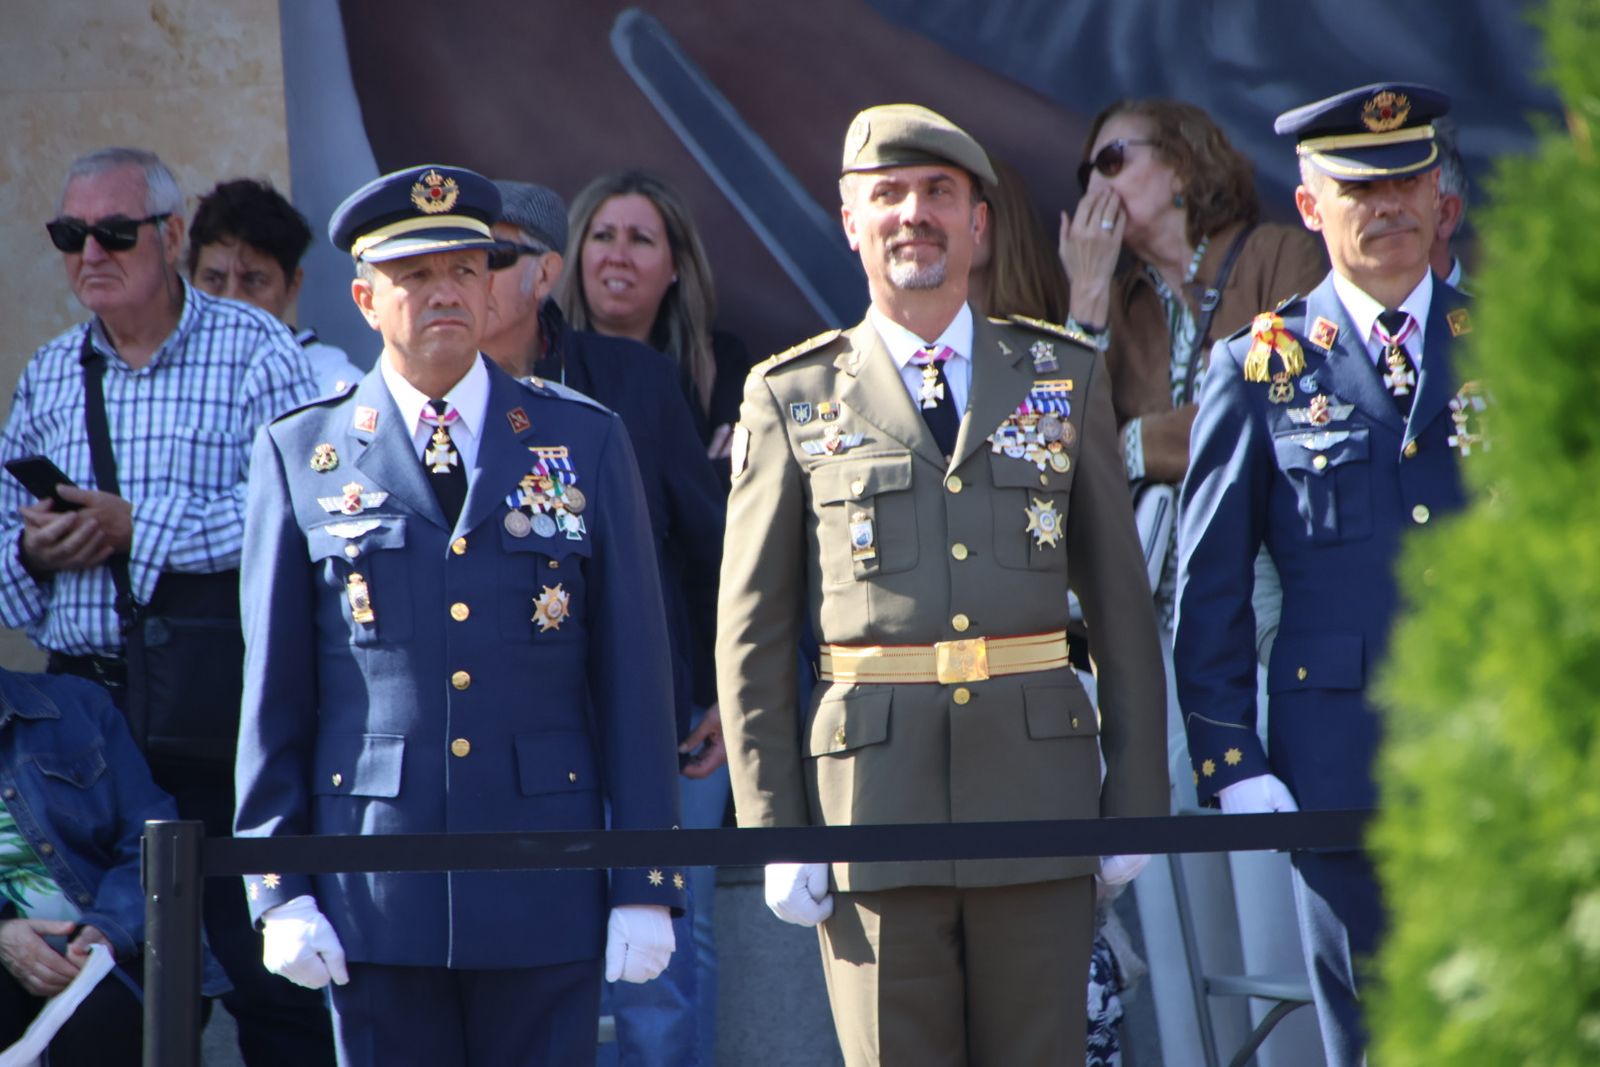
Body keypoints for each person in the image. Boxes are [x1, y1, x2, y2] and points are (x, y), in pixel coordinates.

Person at [716, 103, 1168, 1065]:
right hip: (872, 810)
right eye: (887, 196)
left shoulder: (1062, 375)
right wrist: (775, 829)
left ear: (978, 223)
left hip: (1037, 801)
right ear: (851, 222)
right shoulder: (792, 395)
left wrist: (1136, 794)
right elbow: (753, 632)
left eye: (937, 194)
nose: (912, 214)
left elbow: (1123, 608)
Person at [233, 164, 686, 1067]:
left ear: (493, 287)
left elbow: (634, 675)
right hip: (374, 892)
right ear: (365, 296)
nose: (445, 293)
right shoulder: (303, 452)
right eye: (416, 276)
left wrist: (646, 879)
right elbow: (275, 692)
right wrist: (276, 885)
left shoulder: (582, 439)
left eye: (466, 271)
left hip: (543, 883)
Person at [0, 146, 326, 1066]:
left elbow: (301, 508)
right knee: (110, 983)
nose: (90, 253)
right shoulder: (50, 372)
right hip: (82, 731)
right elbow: (5, 550)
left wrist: (141, 528)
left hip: (219, 715)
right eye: (70, 235)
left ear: (171, 234)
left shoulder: (254, 348)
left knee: (271, 970)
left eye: (113, 231)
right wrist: (36, 546)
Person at [1175, 83, 1471, 1067]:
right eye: (1359, 187)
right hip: (1342, 765)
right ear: (1309, 206)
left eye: (1408, 180)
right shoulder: (1260, 366)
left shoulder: (1506, 345)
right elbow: (1209, 581)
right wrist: (1233, 762)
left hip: (1500, 755)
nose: (1388, 204)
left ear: (1440, 197)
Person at [485, 177, 727, 1065]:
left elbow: (716, 547)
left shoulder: (632, 379)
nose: (469, 274)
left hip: (647, 731)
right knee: (525, 968)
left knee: (661, 958)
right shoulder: (431, 398)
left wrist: (723, 698)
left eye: (495, 255)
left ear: (545, 273)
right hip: (506, 747)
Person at [0, 667, 229, 1066]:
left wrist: (108, 929)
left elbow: (153, 839)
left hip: (117, 947)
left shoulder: (77, 705)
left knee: (100, 1019)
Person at [558, 169, 753, 480]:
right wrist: (697, 471)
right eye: (603, 236)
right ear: (577, 254)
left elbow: (732, 487)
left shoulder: (720, 362)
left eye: (640, 239)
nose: (618, 257)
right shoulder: (544, 360)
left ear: (675, 265)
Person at [189, 177, 363, 393]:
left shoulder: (332, 388)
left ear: (292, 285)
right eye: (214, 279)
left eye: (253, 280)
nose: (231, 298)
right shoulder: (163, 376)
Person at [1430, 116, 1470, 289]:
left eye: (1405, 185)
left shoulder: (1495, 313)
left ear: (1445, 214)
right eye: (1361, 189)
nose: (1383, 207)